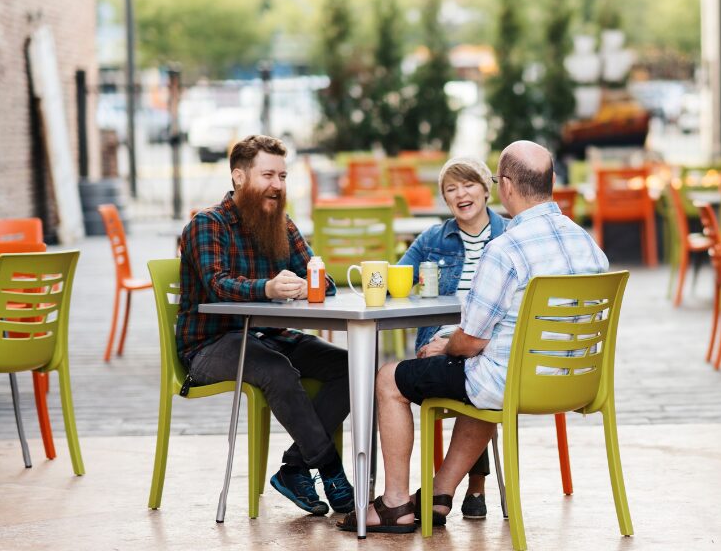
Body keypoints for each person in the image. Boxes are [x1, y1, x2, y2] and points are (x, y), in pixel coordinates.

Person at [338, 140, 609, 534]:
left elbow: (471, 341)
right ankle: (439, 496)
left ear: (506, 186)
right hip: (578, 383)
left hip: (510, 383)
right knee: (479, 374)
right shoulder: (589, 245)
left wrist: (445, 346)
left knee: (390, 377)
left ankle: (395, 504)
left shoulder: (505, 248)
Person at [177, 134, 353, 517]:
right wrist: (268, 289)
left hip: (272, 337)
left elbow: (322, 279)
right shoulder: (207, 225)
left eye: (283, 176)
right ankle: (330, 469)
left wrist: (313, 281)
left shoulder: (281, 224)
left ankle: (294, 468)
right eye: (268, 175)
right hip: (209, 346)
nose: (277, 185)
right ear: (239, 176)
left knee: (351, 369)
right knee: (277, 370)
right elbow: (217, 285)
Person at [395, 156, 508, 519]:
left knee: (479, 366)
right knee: (471, 368)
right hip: (443, 339)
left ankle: (470, 486)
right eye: (451, 188)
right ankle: (469, 488)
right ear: (444, 198)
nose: (461, 194)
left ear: (486, 189)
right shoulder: (433, 237)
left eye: (469, 184)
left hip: (492, 340)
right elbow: (400, 277)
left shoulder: (509, 235)